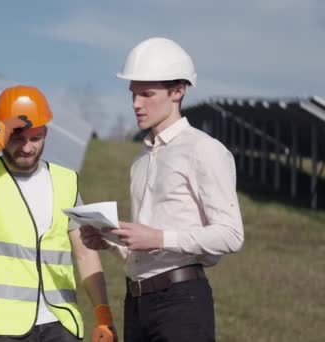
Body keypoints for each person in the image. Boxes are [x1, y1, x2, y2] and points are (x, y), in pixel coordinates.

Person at [81, 37, 244, 341]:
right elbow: (145, 251)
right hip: (136, 304)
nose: (135, 104)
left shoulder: (204, 150)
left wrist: (157, 237)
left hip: (182, 303)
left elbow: (231, 234)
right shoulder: (140, 161)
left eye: (146, 94)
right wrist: (110, 242)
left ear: (178, 91)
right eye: (133, 94)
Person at [0, 85, 118, 342]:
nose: (27, 148)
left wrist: (103, 315)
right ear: (1, 134)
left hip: (60, 322)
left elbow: (84, 253)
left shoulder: (66, 181)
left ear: (46, 133)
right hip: (3, 327)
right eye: (18, 138)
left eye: (36, 139)